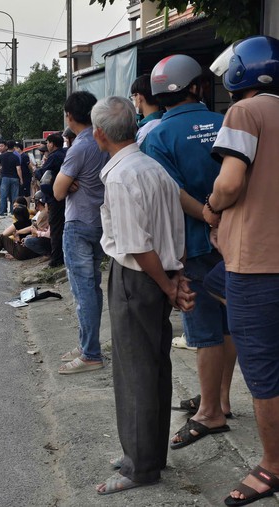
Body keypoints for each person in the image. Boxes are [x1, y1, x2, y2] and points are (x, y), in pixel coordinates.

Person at [91, 95, 193, 495]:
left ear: (100, 134)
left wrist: (169, 285)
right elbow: (175, 226)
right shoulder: (152, 166)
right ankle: (147, 452)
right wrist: (175, 277)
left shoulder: (120, 175)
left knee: (135, 371)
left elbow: (136, 245)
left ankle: (141, 466)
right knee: (153, 366)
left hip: (139, 278)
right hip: (160, 271)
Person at [141, 54, 234, 450]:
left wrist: (207, 217)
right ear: (197, 86)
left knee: (204, 331)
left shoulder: (158, 136)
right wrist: (223, 219)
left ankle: (209, 412)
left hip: (192, 244)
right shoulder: (227, 122)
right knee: (230, 321)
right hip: (236, 240)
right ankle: (223, 400)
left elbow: (171, 193)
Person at [204, 35, 279, 507]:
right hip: (248, 266)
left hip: (256, 265)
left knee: (264, 372)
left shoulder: (245, 113)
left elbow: (230, 182)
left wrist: (212, 208)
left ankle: (273, 466)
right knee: (215, 284)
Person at [53, 91, 110, 374]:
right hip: (101, 222)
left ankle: (91, 353)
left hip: (79, 224)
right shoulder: (105, 142)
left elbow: (57, 190)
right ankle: (88, 343)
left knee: (83, 290)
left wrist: (71, 181)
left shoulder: (79, 147)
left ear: (69, 116)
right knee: (93, 287)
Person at [35, 133, 67, 268]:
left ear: (52, 144)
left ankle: (56, 259)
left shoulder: (54, 157)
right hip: (62, 195)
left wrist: (36, 171)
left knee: (56, 227)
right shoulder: (65, 153)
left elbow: (42, 173)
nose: (47, 145)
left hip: (55, 196)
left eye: (48, 143)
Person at [130, 74, 164, 146]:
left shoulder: (146, 131)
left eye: (133, 96)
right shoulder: (165, 120)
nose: (133, 100)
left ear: (139, 97)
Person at [0, 140, 21, 219]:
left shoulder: (2, 156)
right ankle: (13, 212)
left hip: (5, 178)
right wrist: (21, 179)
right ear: (14, 147)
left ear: (6, 146)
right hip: (14, 178)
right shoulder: (16, 157)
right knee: (14, 196)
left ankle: (2, 212)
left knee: (3, 196)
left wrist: (2, 170)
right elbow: (18, 169)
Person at [23, 191, 52, 257]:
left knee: (28, 241)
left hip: (51, 239)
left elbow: (48, 234)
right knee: (27, 238)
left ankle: (48, 254)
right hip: (47, 236)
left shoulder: (44, 213)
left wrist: (36, 232)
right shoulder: (42, 212)